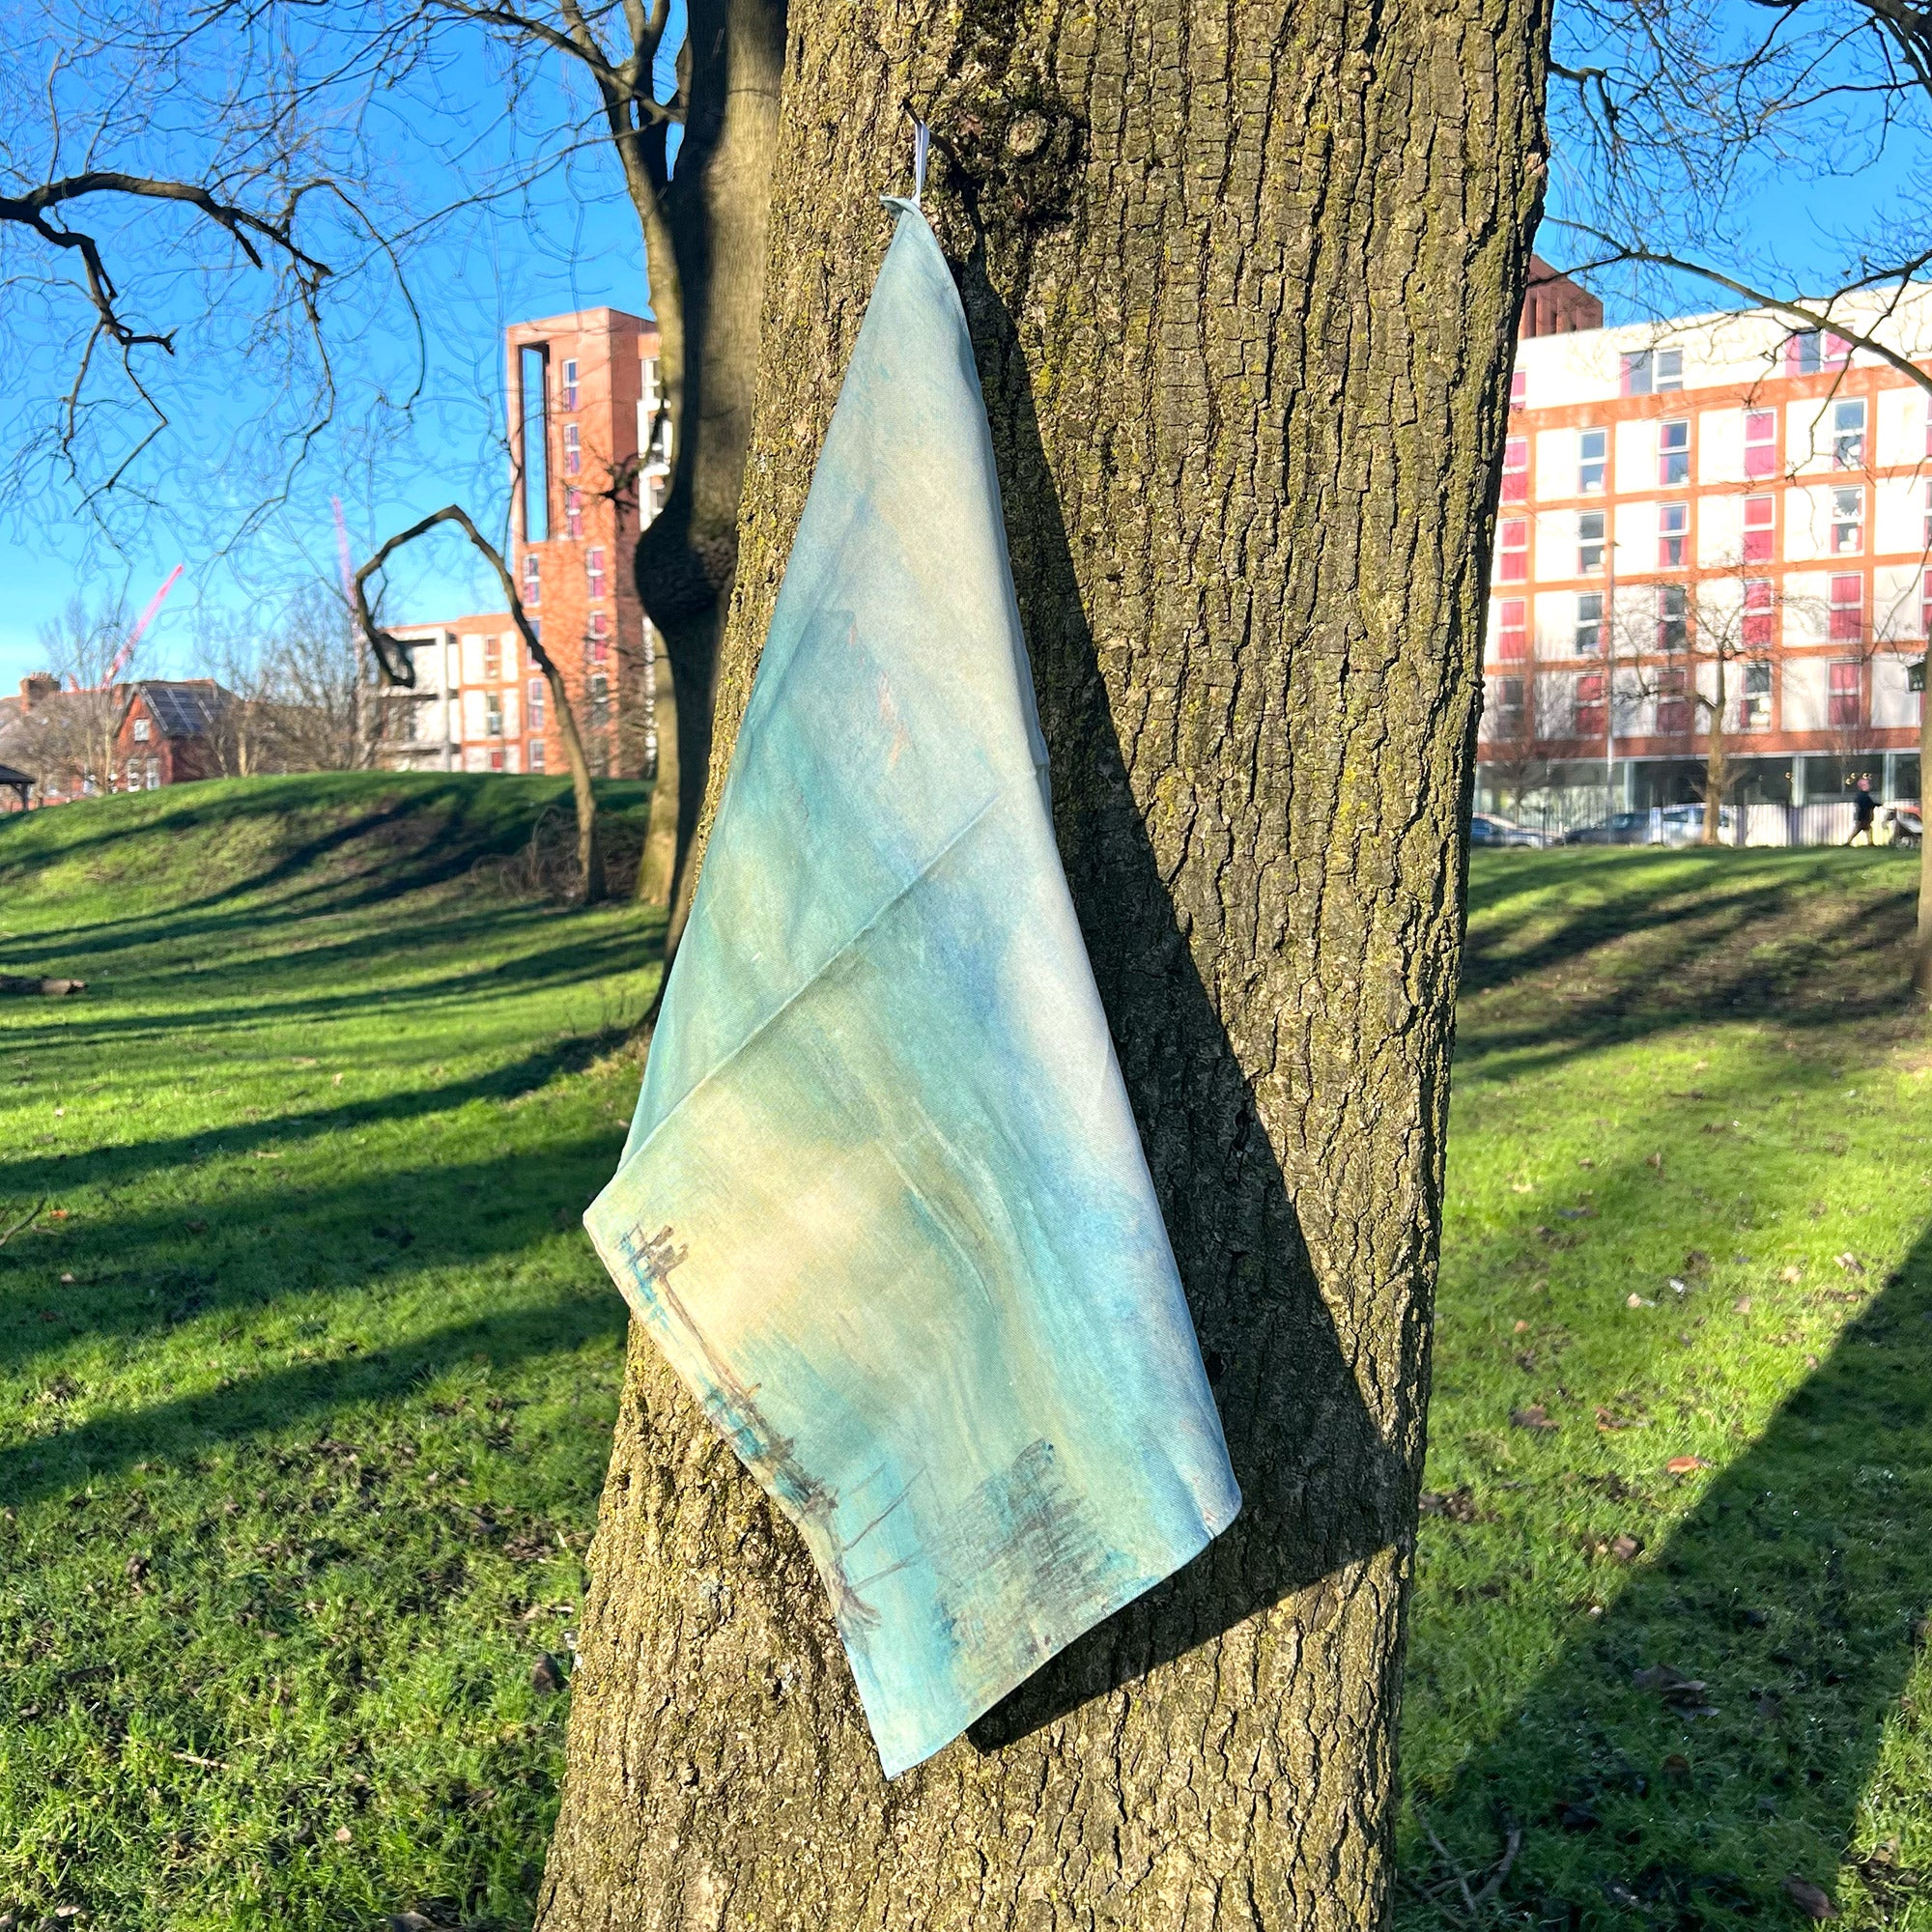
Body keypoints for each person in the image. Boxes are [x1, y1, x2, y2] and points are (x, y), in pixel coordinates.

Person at [1848, 775, 1878, 846]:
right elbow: (1869, 804)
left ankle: (1870, 842)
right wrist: (1877, 805)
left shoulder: (1860, 795)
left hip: (1862, 814)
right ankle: (1870, 843)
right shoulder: (1863, 796)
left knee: (1865, 828)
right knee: (1863, 828)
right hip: (1864, 815)